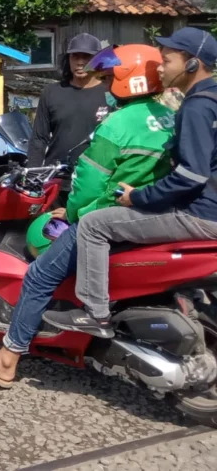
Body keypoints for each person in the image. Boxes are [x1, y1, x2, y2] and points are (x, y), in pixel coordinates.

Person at [0, 44, 177, 386]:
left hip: (107, 217)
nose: (105, 83)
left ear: (127, 78)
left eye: (109, 76)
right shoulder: (167, 117)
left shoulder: (117, 125)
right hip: (154, 216)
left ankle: (6, 359)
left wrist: (71, 211)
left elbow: (89, 187)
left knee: (39, 276)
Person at [42, 29, 217, 337]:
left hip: (201, 213)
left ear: (192, 64)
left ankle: (94, 313)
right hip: (207, 208)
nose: (161, 68)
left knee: (95, 224)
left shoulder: (196, 105)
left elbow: (191, 175)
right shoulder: (207, 98)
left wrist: (139, 197)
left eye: (167, 60)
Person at [27, 33, 109, 170]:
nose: (80, 62)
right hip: (56, 177)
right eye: (75, 56)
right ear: (68, 59)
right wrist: (32, 173)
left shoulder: (110, 94)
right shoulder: (51, 92)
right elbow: (39, 139)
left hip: (96, 179)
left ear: (98, 60)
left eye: (87, 56)